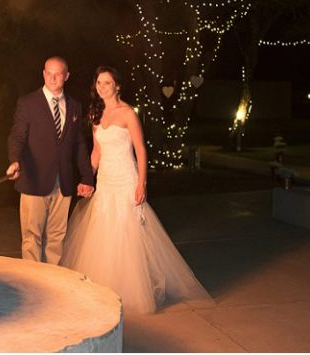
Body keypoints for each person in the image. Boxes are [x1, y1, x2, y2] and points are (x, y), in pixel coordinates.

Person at [60, 66, 212, 314]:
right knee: (103, 231)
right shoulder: (96, 113)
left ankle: (130, 290)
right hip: (106, 180)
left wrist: (142, 183)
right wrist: (88, 179)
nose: (102, 87)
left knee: (127, 233)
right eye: (99, 83)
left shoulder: (128, 113)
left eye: (107, 83)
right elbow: (96, 151)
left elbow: (140, 150)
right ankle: (104, 287)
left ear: (117, 86)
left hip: (126, 179)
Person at [6, 56, 95, 264]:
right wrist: (15, 160)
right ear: (44, 74)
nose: (53, 78)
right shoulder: (28, 103)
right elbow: (17, 136)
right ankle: (32, 277)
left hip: (63, 181)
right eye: (49, 73)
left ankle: (52, 277)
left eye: (58, 74)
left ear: (66, 76)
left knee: (57, 236)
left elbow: (79, 144)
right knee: (32, 236)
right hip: (34, 179)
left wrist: (87, 177)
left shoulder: (74, 106)